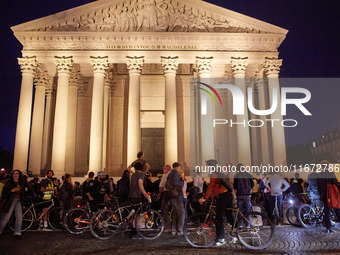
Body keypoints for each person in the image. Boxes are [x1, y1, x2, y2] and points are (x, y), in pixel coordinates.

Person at [199, 159, 234, 246]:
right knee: (229, 215)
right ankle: (235, 235)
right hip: (228, 195)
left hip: (222, 196)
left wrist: (205, 198)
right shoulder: (220, 172)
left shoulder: (214, 174)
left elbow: (210, 187)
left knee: (219, 218)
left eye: (207, 167)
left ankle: (221, 239)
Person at [0, 169, 25, 239]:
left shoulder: (21, 183)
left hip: (19, 200)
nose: (15, 175)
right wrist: (12, 190)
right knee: (6, 217)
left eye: (17, 173)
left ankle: (17, 232)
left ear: (19, 175)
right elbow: (4, 193)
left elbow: (23, 193)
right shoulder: (9, 182)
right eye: (14, 174)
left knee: (19, 217)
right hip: (11, 200)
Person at [317, 161, 340, 233]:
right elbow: (336, 183)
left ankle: (328, 228)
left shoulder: (319, 175)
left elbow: (318, 187)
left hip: (324, 195)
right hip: (331, 195)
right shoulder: (330, 173)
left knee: (326, 210)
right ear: (328, 166)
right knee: (337, 208)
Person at [166, 162, 185, 236]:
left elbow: (166, 184)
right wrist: (182, 182)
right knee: (181, 212)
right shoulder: (176, 173)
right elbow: (175, 183)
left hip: (171, 195)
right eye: (179, 167)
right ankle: (180, 229)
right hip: (177, 195)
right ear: (177, 167)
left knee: (175, 213)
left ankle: (174, 229)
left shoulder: (169, 174)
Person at [157, 165, 172, 232]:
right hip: (174, 195)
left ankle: (167, 227)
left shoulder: (165, 175)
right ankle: (174, 227)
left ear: (168, 169)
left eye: (164, 168)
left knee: (164, 209)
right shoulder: (173, 175)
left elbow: (161, 186)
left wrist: (159, 193)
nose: (163, 170)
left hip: (166, 194)